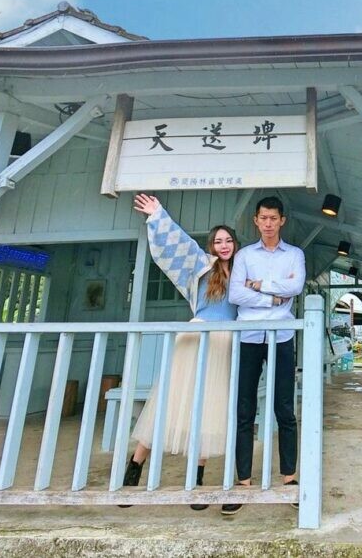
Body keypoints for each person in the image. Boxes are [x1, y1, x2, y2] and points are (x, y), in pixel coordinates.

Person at [122, 193, 238, 512]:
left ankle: (195, 480)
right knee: (169, 400)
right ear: (212, 245)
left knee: (210, 407)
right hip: (196, 334)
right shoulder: (202, 264)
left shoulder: (242, 271)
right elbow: (179, 243)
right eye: (218, 241)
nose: (224, 245)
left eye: (229, 240)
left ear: (235, 244)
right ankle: (134, 467)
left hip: (224, 342)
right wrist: (157, 214)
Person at [224, 196, 305, 514]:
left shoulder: (294, 254)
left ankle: (290, 479)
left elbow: (296, 287)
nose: (268, 223)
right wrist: (271, 297)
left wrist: (258, 284)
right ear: (255, 221)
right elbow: (235, 293)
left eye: (273, 218)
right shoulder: (244, 255)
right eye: (263, 218)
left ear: (282, 220)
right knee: (244, 409)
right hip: (249, 336)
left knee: (285, 408)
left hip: (282, 336)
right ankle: (243, 482)